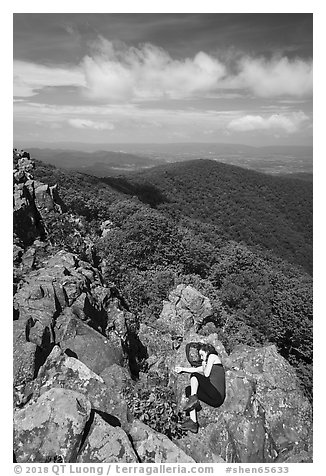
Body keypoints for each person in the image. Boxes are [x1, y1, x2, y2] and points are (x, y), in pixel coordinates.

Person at [175, 343, 225, 433]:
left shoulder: (213, 356)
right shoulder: (208, 364)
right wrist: (182, 369)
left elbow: (206, 374)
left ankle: (193, 399)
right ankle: (193, 422)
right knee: (189, 390)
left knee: (195, 376)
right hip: (214, 400)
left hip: (216, 393)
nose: (201, 358)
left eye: (202, 355)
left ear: (207, 352)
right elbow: (196, 369)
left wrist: (203, 364)